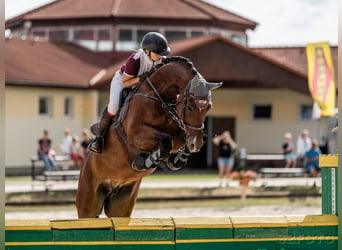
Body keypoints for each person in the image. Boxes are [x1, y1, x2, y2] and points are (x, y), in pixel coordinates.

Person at [88, 32, 171, 154]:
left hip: (142, 86)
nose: (162, 56)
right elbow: (126, 83)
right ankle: (99, 137)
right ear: (147, 51)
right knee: (114, 106)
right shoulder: (135, 60)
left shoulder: (162, 60)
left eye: (163, 53)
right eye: (158, 53)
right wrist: (140, 78)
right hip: (123, 81)